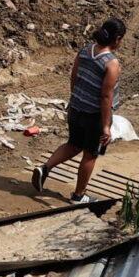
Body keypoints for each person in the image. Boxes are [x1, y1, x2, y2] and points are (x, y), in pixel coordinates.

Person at [36, 17, 125, 202]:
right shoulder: (112, 63)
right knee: (90, 155)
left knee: (73, 144)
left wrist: (76, 98)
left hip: (76, 108)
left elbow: (74, 76)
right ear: (117, 39)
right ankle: (79, 195)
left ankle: (44, 169)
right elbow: (106, 96)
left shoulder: (86, 50)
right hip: (94, 116)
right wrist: (106, 126)